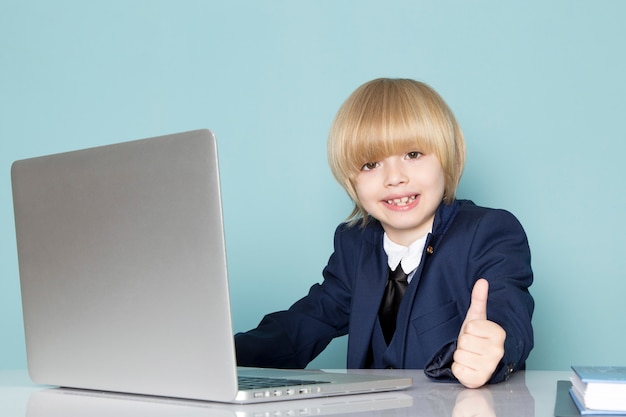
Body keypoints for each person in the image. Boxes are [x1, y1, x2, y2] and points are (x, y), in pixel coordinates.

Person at [235, 78, 534, 389]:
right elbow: (306, 323)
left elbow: (509, 313)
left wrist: (493, 349)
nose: (394, 178)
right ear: (350, 181)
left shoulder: (488, 233)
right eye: (370, 164)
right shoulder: (354, 245)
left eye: (414, 154)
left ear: (449, 158)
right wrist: (227, 354)